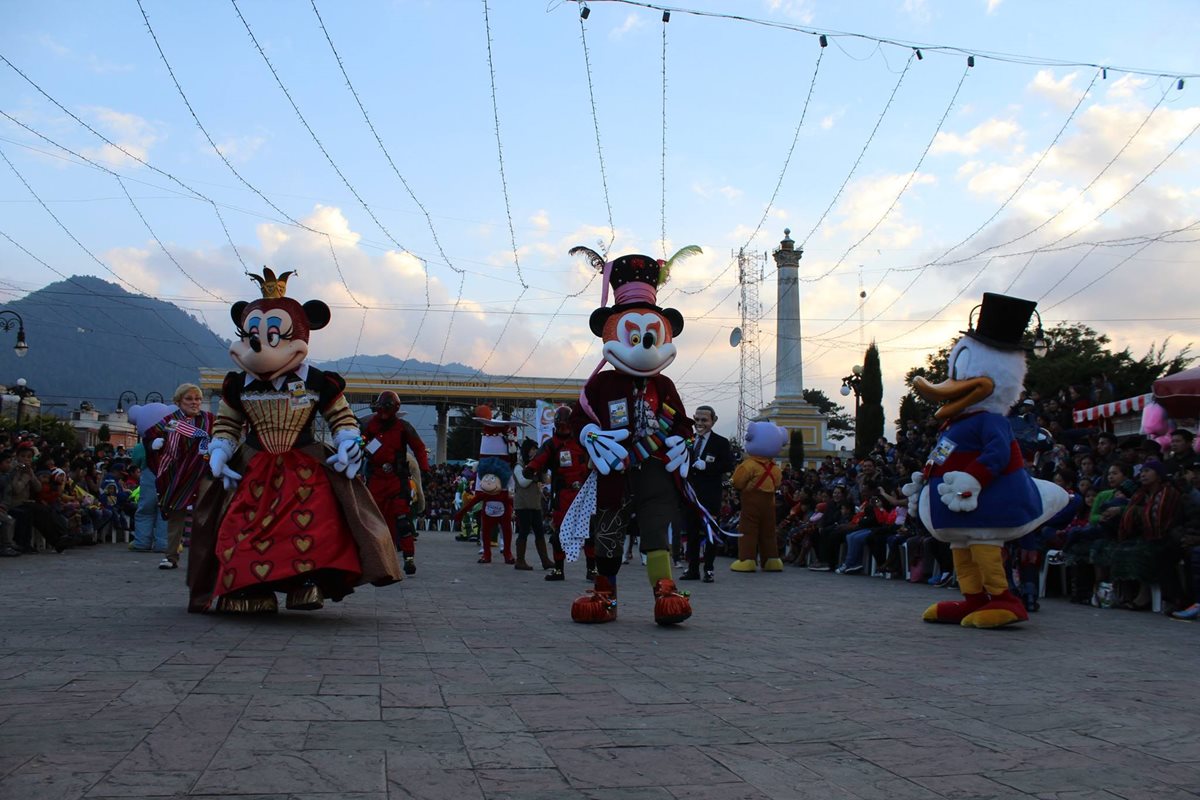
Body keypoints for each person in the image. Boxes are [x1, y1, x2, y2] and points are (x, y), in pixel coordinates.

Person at [188, 268, 401, 613]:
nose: (259, 345)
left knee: (316, 521)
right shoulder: (237, 385)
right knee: (239, 525)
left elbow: (342, 418)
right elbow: (227, 423)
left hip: (304, 462)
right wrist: (219, 450)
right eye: (251, 334)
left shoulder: (318, 381)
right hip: (253, 462)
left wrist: (348, 441)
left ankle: (306, 582)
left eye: (275, 335)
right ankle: (247, 588)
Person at [144, 384, 214, 570]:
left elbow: (223, 436)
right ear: (178, 402)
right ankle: (171, 556)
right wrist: (154, 443)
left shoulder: (209, 420)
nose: (195, 402)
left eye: (198, 399)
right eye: (189, 399)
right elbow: (149, 436)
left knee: (204, 513)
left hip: (203, 472)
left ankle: (203, 557)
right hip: (176, 474)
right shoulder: (169, 422)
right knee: (176, 514)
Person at [362, 390, 430, 575]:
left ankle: (409, 558)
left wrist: (425, 469)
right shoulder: (370, 426)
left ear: (394, 408)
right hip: (376, 478)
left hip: (396, 479)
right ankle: (379, 557)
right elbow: (359, 443)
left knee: (402, 519)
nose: (383, 411)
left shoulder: (403, 427)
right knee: (376, 520)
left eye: (387, 407)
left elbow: (419, 447)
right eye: (381, 407)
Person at [680, 405, 735, 583]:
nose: (700, 423)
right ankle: (693, 569)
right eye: (697, 419)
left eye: (704, 420)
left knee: (710, 533)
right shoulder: (689, 440)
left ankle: (709, 569)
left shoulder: (720, 442)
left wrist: (708, 466)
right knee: (692, 533)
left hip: (710, 496)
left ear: (713, 420)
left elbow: (728, 466)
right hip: (690, 495)